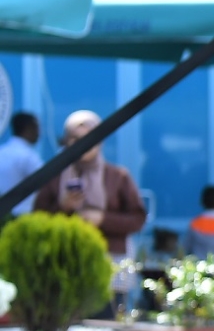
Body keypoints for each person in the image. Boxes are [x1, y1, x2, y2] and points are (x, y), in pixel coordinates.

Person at [34, 110, 148, 256]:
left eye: (90, 138)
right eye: (76, 139)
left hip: (110, 256)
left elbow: (138, 219)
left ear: (99, 141)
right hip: (63, 255)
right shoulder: (54, 176)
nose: (84, 145)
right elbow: (37, 219)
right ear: (67, 141)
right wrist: (62, 207)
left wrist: (102, 218)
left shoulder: (118, 176)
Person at [0, 112, 41, 217]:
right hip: (23, 215)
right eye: (36, 128)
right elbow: (45, 183)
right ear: (29, 128)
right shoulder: (28, 156)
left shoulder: (2, 151)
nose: (39, 133)